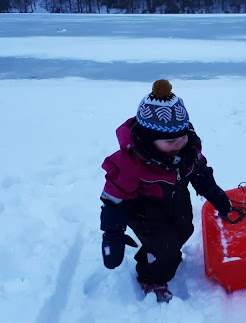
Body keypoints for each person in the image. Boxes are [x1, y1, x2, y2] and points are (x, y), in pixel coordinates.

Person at [99, 79, 236, 303]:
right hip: (144, 213)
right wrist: (112, 233)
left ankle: (157, 255)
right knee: (166, 250)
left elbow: (199, 171)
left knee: (184, 231)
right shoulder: (130, 163)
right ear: (150, 138)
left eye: (182, 135)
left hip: (177, 203)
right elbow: (114, 199)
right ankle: (150, 277)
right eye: (171, 139)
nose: (180, 142)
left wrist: (214, 192)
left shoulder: (188, 149)